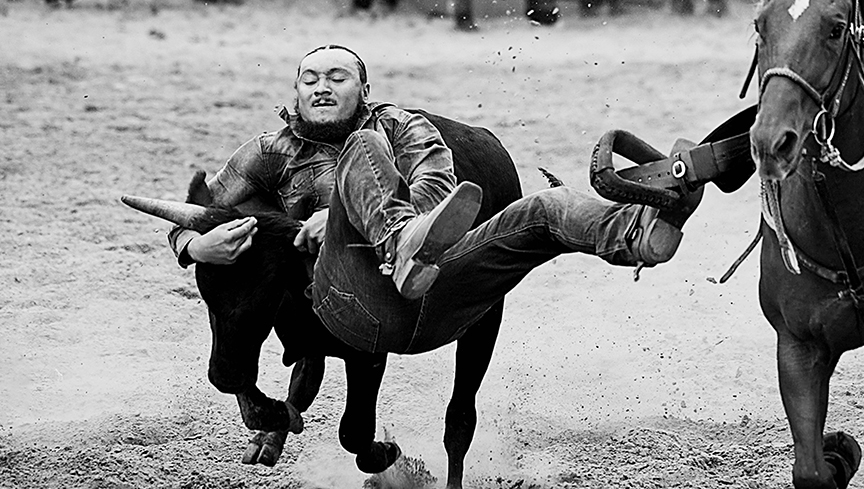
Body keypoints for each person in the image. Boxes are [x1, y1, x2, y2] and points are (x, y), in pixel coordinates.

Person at [168, 43, 703, 354]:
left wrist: (352, 215)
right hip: (344, 301)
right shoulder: (268, 151)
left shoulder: (403, 126)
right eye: (310, 78)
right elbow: (197, 213)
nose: (322, 86)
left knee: (546, 207)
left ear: (365, 91)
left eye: (338, 77)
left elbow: (436, 192)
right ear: (295, 93)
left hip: (438, 288)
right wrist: (197, 247)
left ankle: (640, 232)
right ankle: (398, 245)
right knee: (362, 148)